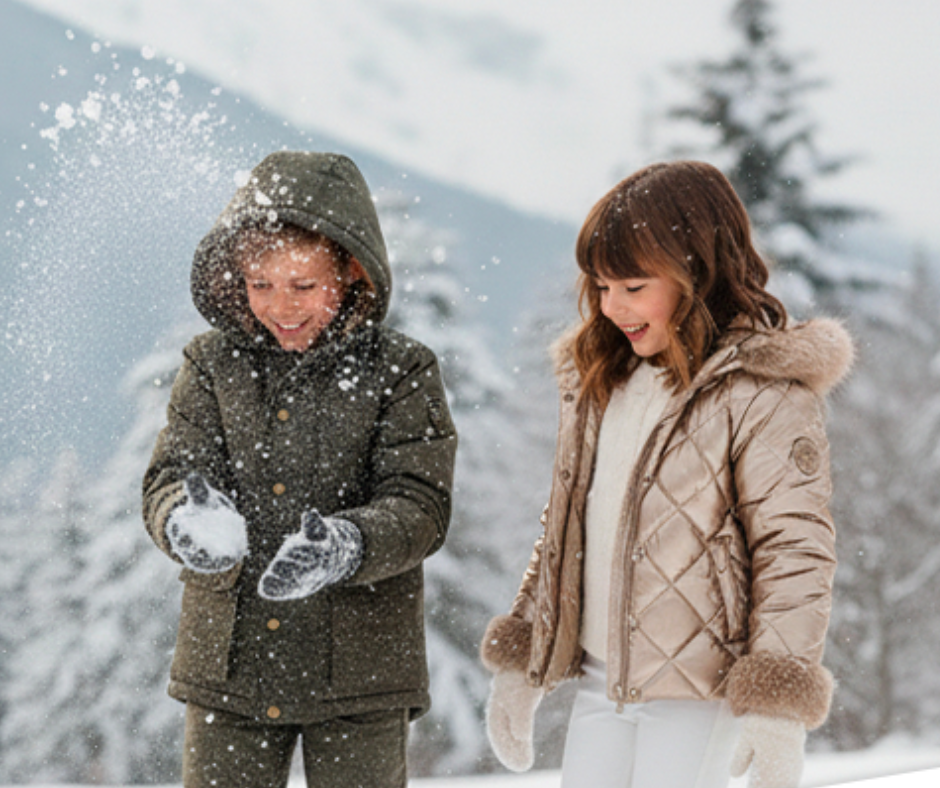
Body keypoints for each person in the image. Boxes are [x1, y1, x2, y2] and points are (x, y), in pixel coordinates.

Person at [479, 161, 852, 788]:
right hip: (602, 683)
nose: (612, 306)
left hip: (696, 696)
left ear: (696, 271)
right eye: (600, 287)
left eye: (633, 285)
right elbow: (567, 531)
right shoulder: (603, 381)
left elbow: (794, 551)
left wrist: (777, 706)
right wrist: (525, 655)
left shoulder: (761, 393)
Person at [143, 150, 457, 788]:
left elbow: (420, 504)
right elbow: (171, 473)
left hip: (360, 672)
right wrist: (184, 518)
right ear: (237, 279)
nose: (281, 307)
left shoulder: (401, 368)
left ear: (352, 273)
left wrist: (349, 545)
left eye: (303, 286)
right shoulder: (211, 364)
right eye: (261, 285)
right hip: (231, 667)